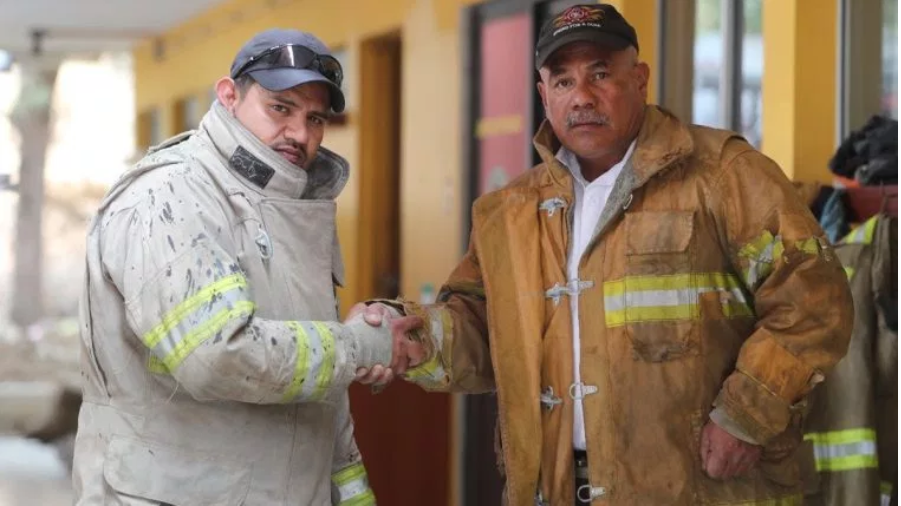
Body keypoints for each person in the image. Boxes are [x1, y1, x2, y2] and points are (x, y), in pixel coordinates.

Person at [354, 4, 853, 505]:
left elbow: (812, 300)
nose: (583, 98)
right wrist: (410, 333)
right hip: (555, 487)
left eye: (600, 74)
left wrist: (746, 417)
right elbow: (483, 329)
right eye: (564, 81)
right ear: (543, 95)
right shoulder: (506, 213)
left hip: (700, 488)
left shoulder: (723, 175)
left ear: (640, 79)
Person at [73, 29, 412, 505]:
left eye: (315, 118)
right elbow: (216, 356)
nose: (299, 133)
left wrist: (351, 490)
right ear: (229, 96)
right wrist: (357, 346)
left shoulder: (291, 205)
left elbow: (318, 387)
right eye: (281, 108)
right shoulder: (173, 194)